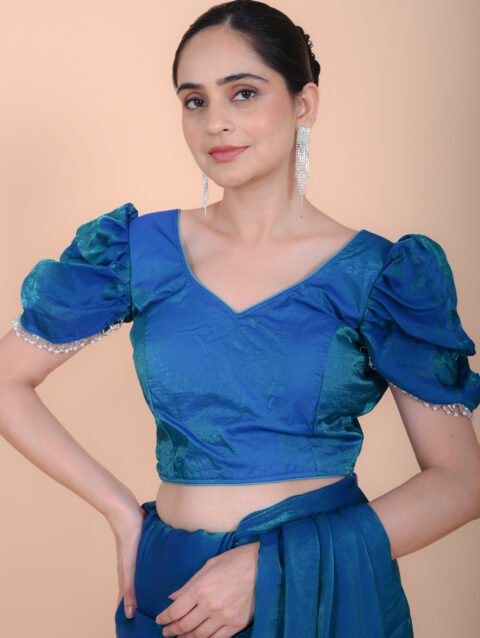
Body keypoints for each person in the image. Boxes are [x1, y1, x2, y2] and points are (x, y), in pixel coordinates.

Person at [2, 1, 480, 636]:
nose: (216, 123)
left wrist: (273, 570)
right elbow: (7, 380)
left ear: (304, 103)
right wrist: (119, 511)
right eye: (194, 101)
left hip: (321, 592)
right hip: (172, 588)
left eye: (244, 93)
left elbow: (461, 481)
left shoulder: (381, 274)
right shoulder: (137, 251)